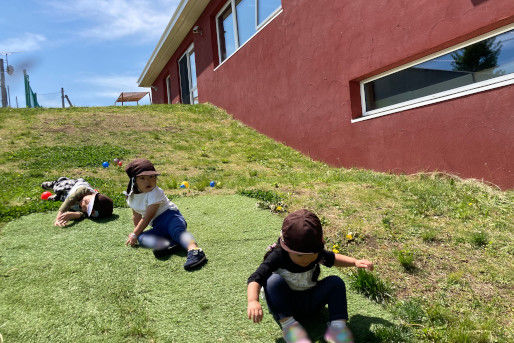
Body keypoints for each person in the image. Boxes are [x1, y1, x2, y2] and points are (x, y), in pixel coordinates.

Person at [246, 209, 374, 343]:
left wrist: (355, 262)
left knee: (336, 282)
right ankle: (290, 327)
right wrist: (253, 301)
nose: (306, 260)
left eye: (312, 254)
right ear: (285, 248)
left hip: (311, 301)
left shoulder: (317, 254)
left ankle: (338, 327)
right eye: (300, 255)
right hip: (286, 305)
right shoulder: (277, 256)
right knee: (272, 281)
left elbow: (334, 258)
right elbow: (255, 278)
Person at [124, 158, 207, 270]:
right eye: (142, 178)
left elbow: (147, 217)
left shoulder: (156, 192)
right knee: (143, 238)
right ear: (134, 181)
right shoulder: (131, 197)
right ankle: (170, 244)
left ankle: (195, 251)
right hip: (158, 226)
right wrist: (137, 235)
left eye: (152, 177)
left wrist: (134, 234)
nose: (148, 181)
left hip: (172, 218)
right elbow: (137, 215)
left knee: (178, 232)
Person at [42, 177, 114, 227]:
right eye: (86, 201)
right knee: (60, 187)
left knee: (62, 198)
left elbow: (85, 215)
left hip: (66, 196)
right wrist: (59, 217)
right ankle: (53, 184)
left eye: (86, 209)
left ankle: (57, 196)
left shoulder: (88, 211)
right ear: (93, 194)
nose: (82, 204)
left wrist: (76, 214)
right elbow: (70, 200)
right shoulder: (84, 190)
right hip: (71, 186)